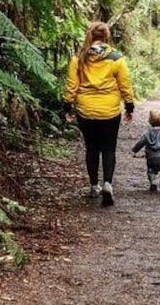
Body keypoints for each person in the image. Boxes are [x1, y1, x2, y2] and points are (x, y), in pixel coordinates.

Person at [63, 22, 135, 207]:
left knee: (92, 148)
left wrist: (66, 107)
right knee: (109, 148)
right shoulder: (117, 58)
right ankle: (108, 183)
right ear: (107, 37)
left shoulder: (78, 59)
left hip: (85, 111)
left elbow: (71, 86)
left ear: (90, 35)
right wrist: (129, 106)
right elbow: (124, 84)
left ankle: (94, 186)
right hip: (109, 110)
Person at [131, 110, 160, 193]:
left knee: (151, 171)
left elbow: (140, 143)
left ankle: (153, 183)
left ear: (150, 120)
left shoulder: (147, 133)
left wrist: (134, 150)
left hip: (151, 159)